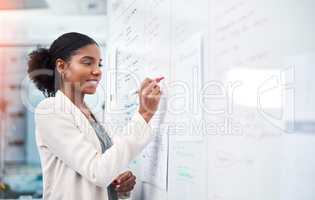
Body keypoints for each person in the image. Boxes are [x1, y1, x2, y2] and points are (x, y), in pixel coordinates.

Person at [27, 32, 161, 200]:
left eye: (99, 64)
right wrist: (144, 114)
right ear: (61, 66)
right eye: (87, 62)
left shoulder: (91, 114)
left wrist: (119, 186)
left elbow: (99, 175)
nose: (97, 71)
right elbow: (97, 172)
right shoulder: (51, 110)